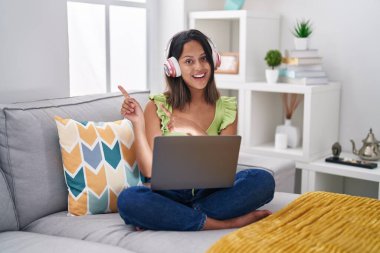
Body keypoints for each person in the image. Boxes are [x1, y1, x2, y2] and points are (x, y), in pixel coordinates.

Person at [117, 29, 275, 231]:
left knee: (263, 180)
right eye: (189, 61)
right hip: (168, 193)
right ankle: (224, 223)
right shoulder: (156, 106)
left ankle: (172, 216)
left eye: (203, 59)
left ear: (213, 61)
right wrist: (137, 124)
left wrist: (192, 128)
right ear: (173, 68)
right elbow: (149, 171)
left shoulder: (226, 108)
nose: (199, 67)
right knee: (129, 200)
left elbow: (222, 165)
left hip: (211, 193)